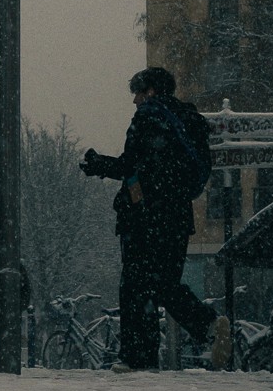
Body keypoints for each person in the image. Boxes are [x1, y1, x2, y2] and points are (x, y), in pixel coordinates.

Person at [81, 66, 231, 371]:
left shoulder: (149, 116)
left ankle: (139, 358)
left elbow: (131, 165)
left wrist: (98, 164)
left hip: (145, 218)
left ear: (150, 91)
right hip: (178, 218)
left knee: (135, 287)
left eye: (138, 92)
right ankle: (209, 325)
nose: (135, 100)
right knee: (163, 284)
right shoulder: (188, 119)